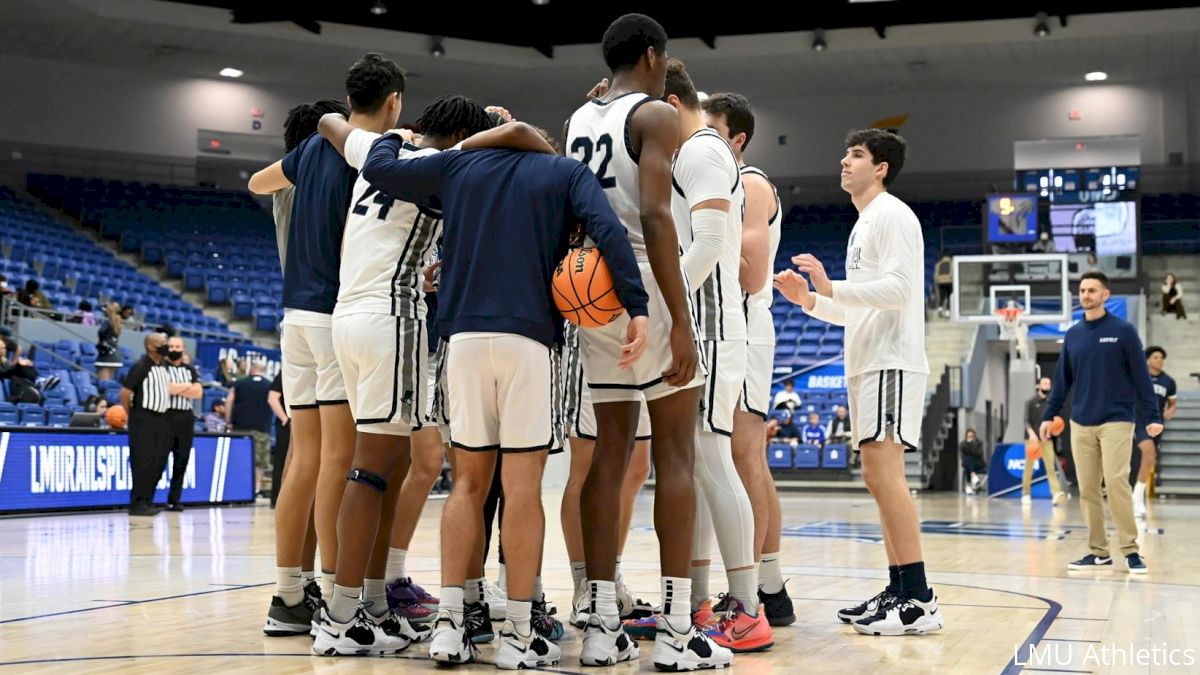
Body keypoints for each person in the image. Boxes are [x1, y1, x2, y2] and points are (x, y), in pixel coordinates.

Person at [359, 115, 649, 669]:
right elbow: (609, 233)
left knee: (467, 483)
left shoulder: (457, 164)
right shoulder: (565, 171)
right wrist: (636, 307)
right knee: (522, 489)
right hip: (530, 340)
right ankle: (517, 632)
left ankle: (449, 624)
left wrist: (416, 138)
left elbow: (380, 169)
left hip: (463, 337)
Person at [308, 94, 503, 655]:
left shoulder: (383, 147)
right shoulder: (443, 168)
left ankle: (366, 603)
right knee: (370, 471)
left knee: (385, 466)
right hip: (392, 321)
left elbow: (327, 122)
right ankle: (342, 615)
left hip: (347, 318)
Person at [564, 13, 729, 670]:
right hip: (646, 288)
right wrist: (680, 318)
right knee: (676, 458)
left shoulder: (580, 119)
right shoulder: (656, 116)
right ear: (654, 56)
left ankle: (601, 623)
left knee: (607, 456)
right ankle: (679, 629)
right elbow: (659, 216)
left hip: (591, 289)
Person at [775, 128, 943, 636]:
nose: (844, 162)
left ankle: (918, 598)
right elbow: (856, 311)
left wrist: (831, 286)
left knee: (887, 476)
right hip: (868, 358)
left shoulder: (892, 214)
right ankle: (899, 587)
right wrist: (810, 300)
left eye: (856, 155)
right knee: (875, 477)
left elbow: (898, 290)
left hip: (890, 360)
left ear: (881, 167)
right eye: (845, 153)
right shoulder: (865, 222)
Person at [249, 62, 371, 636]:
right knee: (335, 463)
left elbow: (255, 181)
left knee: (300, 460)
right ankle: (332, 597)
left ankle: (289, 592)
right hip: (331, 316)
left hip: (291, 316)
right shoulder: (336, 163)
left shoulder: (290, 175)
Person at [700, 90, 791, 627]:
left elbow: (752, 272)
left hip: (745, 323)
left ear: (737, 139)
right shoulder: (709, 182)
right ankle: (770, 587)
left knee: (743, 454)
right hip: (717, 324)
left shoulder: (750, 183)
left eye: (712, 127)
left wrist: (700, 242)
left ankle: (752, 596)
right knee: (733, 457)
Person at [1040, 271, 1162, 574]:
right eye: (1082, 290)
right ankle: (1098, 551)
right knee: (1088, 489)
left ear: (1105, 295)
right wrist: (1049, 414)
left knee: (1117, 481)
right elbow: (1061, 382)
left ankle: (1131, 550)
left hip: (1116, 420)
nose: (1085, 295)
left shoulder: (1124, 331)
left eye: (1092, 290)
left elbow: (1141, 378)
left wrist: (1153, 416)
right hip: (1081, 422)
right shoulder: (1073, 334)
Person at [119, 333, 172, 516]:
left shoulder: (163, 366)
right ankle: (138, 503)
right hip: (143, 418)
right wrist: (130, 414)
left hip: (162, 419)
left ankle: (148, 500)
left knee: (158, 461)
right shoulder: (141, 366)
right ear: (150, 346)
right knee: (143, 461)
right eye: (162, 343)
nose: (166, 346)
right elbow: (125, 392)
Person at [1132, 346, 1177, 518]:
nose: (1159, 360)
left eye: (1161, 358)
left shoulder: (1169, 382)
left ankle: (1137, 494)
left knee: (1150, 459)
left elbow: (1173, 404)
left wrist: (1169, 412)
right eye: (1156, 357)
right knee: (1149, 453)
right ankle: (1137, 497)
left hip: (1157, 423)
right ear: (1148, 359)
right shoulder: (1139, 377)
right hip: (1139, 420)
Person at [161, 336, 202, 511]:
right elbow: (165, 389)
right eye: (171, 346)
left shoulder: (190, 369)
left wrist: (177, 388)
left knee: (181, 460)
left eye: (177, 346)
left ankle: (174, 499)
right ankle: (147, 499)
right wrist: (187, 387)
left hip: (185, 417)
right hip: (165, 416)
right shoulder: (161, 367)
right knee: (158, 459)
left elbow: (198, 393)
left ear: (183, 348)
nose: (174, 349)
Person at [226, 360, 275, 498]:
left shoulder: (240, 383)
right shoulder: (270, 385)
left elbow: (229, 401)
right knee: (259, 463)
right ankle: (256, 489)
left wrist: (228, 421)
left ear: (252, 369)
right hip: (262, 428)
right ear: (264, 370)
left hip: (240, 428)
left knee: (239, 460)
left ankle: (237, 489)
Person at [1022, 377, 1066, 505]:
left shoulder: (1051, 403)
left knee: (1050, 467)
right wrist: (1032, 434)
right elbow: (1026, 421)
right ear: (1038, 386)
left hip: (1046, 439)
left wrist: (1052, 431)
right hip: (1032, 440)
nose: (1047, 385)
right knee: (1029, 467)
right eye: (1045, 383)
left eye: (1049, 384)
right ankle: (1026, 493)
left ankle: (1056, 493)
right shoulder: (1030, 402)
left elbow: (1054, 423)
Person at [96, 304, 133, 381]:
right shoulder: (117, 322)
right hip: (115, 352)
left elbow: (101, 333)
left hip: (106, 353)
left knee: (103, 381)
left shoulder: (108, 322)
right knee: (108, 379)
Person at [960, 429, 986, 494]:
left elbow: (978, 454)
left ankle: (968, 485)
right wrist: (968, 444)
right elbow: (963, 457)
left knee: (968, 465)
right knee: (968, 460)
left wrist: (972, 444)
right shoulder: (963, 444)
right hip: (968, 463)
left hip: (978, 462)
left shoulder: (979, 443)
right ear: (966, 437)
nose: (970, 438)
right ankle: (973, 475)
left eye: (972, 436)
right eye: (969, 437)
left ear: (974, 436)